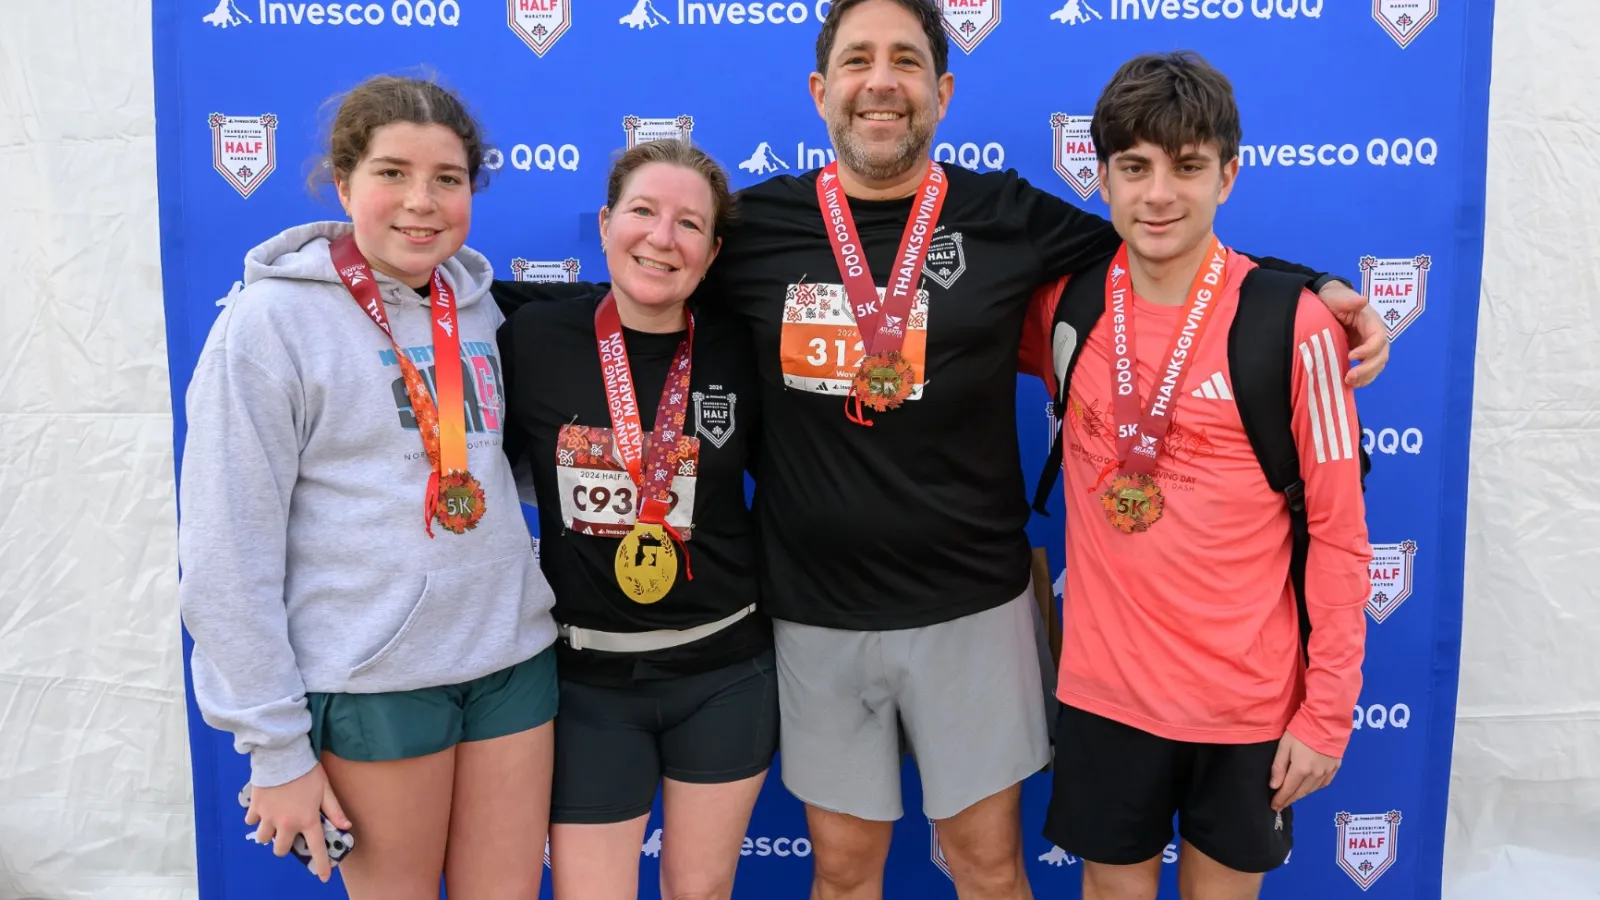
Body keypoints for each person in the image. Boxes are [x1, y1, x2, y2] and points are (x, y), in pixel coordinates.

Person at [696, 1, 1392, 897]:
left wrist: (1314, 288)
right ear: (818, 88)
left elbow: (1173, 254)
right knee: (840, 871)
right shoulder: (750, 230)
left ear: (941, 92)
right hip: (818, 613)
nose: (881, 81)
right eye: (858, 60)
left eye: (905, 61)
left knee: (992, 871)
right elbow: (644, 286)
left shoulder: (1007, 218)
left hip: (978, 611)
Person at [177, 75, 558, 899]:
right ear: (344, 182)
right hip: (375, 680)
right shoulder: (267, 324)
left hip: (512, 660)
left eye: (448, 179)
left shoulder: (481, 311)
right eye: (392, 172)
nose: (422, 201)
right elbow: (224, 554)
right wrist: (275, 750)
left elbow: (505, 461)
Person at [1021, 52, 1373, 900]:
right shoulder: (1063, 308)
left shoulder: (1297, 327)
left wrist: (1326, 714)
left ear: (1229, 174)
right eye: (1134, 168)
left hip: (1246, 706)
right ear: (1100, 177)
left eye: (1187, 168)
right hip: (1106, 698)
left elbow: (1339, 535)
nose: (1158, 196)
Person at [492, 139, 775, 900]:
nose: (661, 237)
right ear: (608, 220)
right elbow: (416, 287)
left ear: (713, 254)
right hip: (587, 683)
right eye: (644, 211)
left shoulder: (745, 347)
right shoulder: (531, 337)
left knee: (700, 892)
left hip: (723, 673)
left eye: (688, 224)